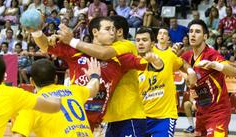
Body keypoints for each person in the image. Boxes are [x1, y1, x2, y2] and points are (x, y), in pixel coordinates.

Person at [56, 15, 156, 137]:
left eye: (112, 29)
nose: (110, 33)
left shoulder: (123, 46)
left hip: (129, 117)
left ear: (119, 32)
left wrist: (71, 40)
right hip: (112, 119)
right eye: (106, 29)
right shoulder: (96, 50)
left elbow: (103, 53)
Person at [31, 16, 163, 131]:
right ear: (95, 32)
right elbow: (45, 46)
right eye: (107, 29)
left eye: (113, 29)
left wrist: (156, 60)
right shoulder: (75, 52)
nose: (113, 32)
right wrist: (36, 30)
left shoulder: (119, 57)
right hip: (71, 117)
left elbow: (151, 66)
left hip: (94, 121)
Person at [136, 27, 197, 137]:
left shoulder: (168, 55)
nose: (141, 43)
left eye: (144, 40)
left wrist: (190, 71)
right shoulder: (133, 61)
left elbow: (181, 63)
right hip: (140, 116)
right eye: (138, 40)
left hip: (164, 115)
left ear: (152, 43)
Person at [180, 19, 236, 137]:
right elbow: (176, 65)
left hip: (218, 111)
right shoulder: (187, 56)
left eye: (197, 31)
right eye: (191, 31)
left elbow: (233, 72)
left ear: (205, 36)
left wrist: (215, 65)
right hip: (201, 111)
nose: (193, 34)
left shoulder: (212, 54)